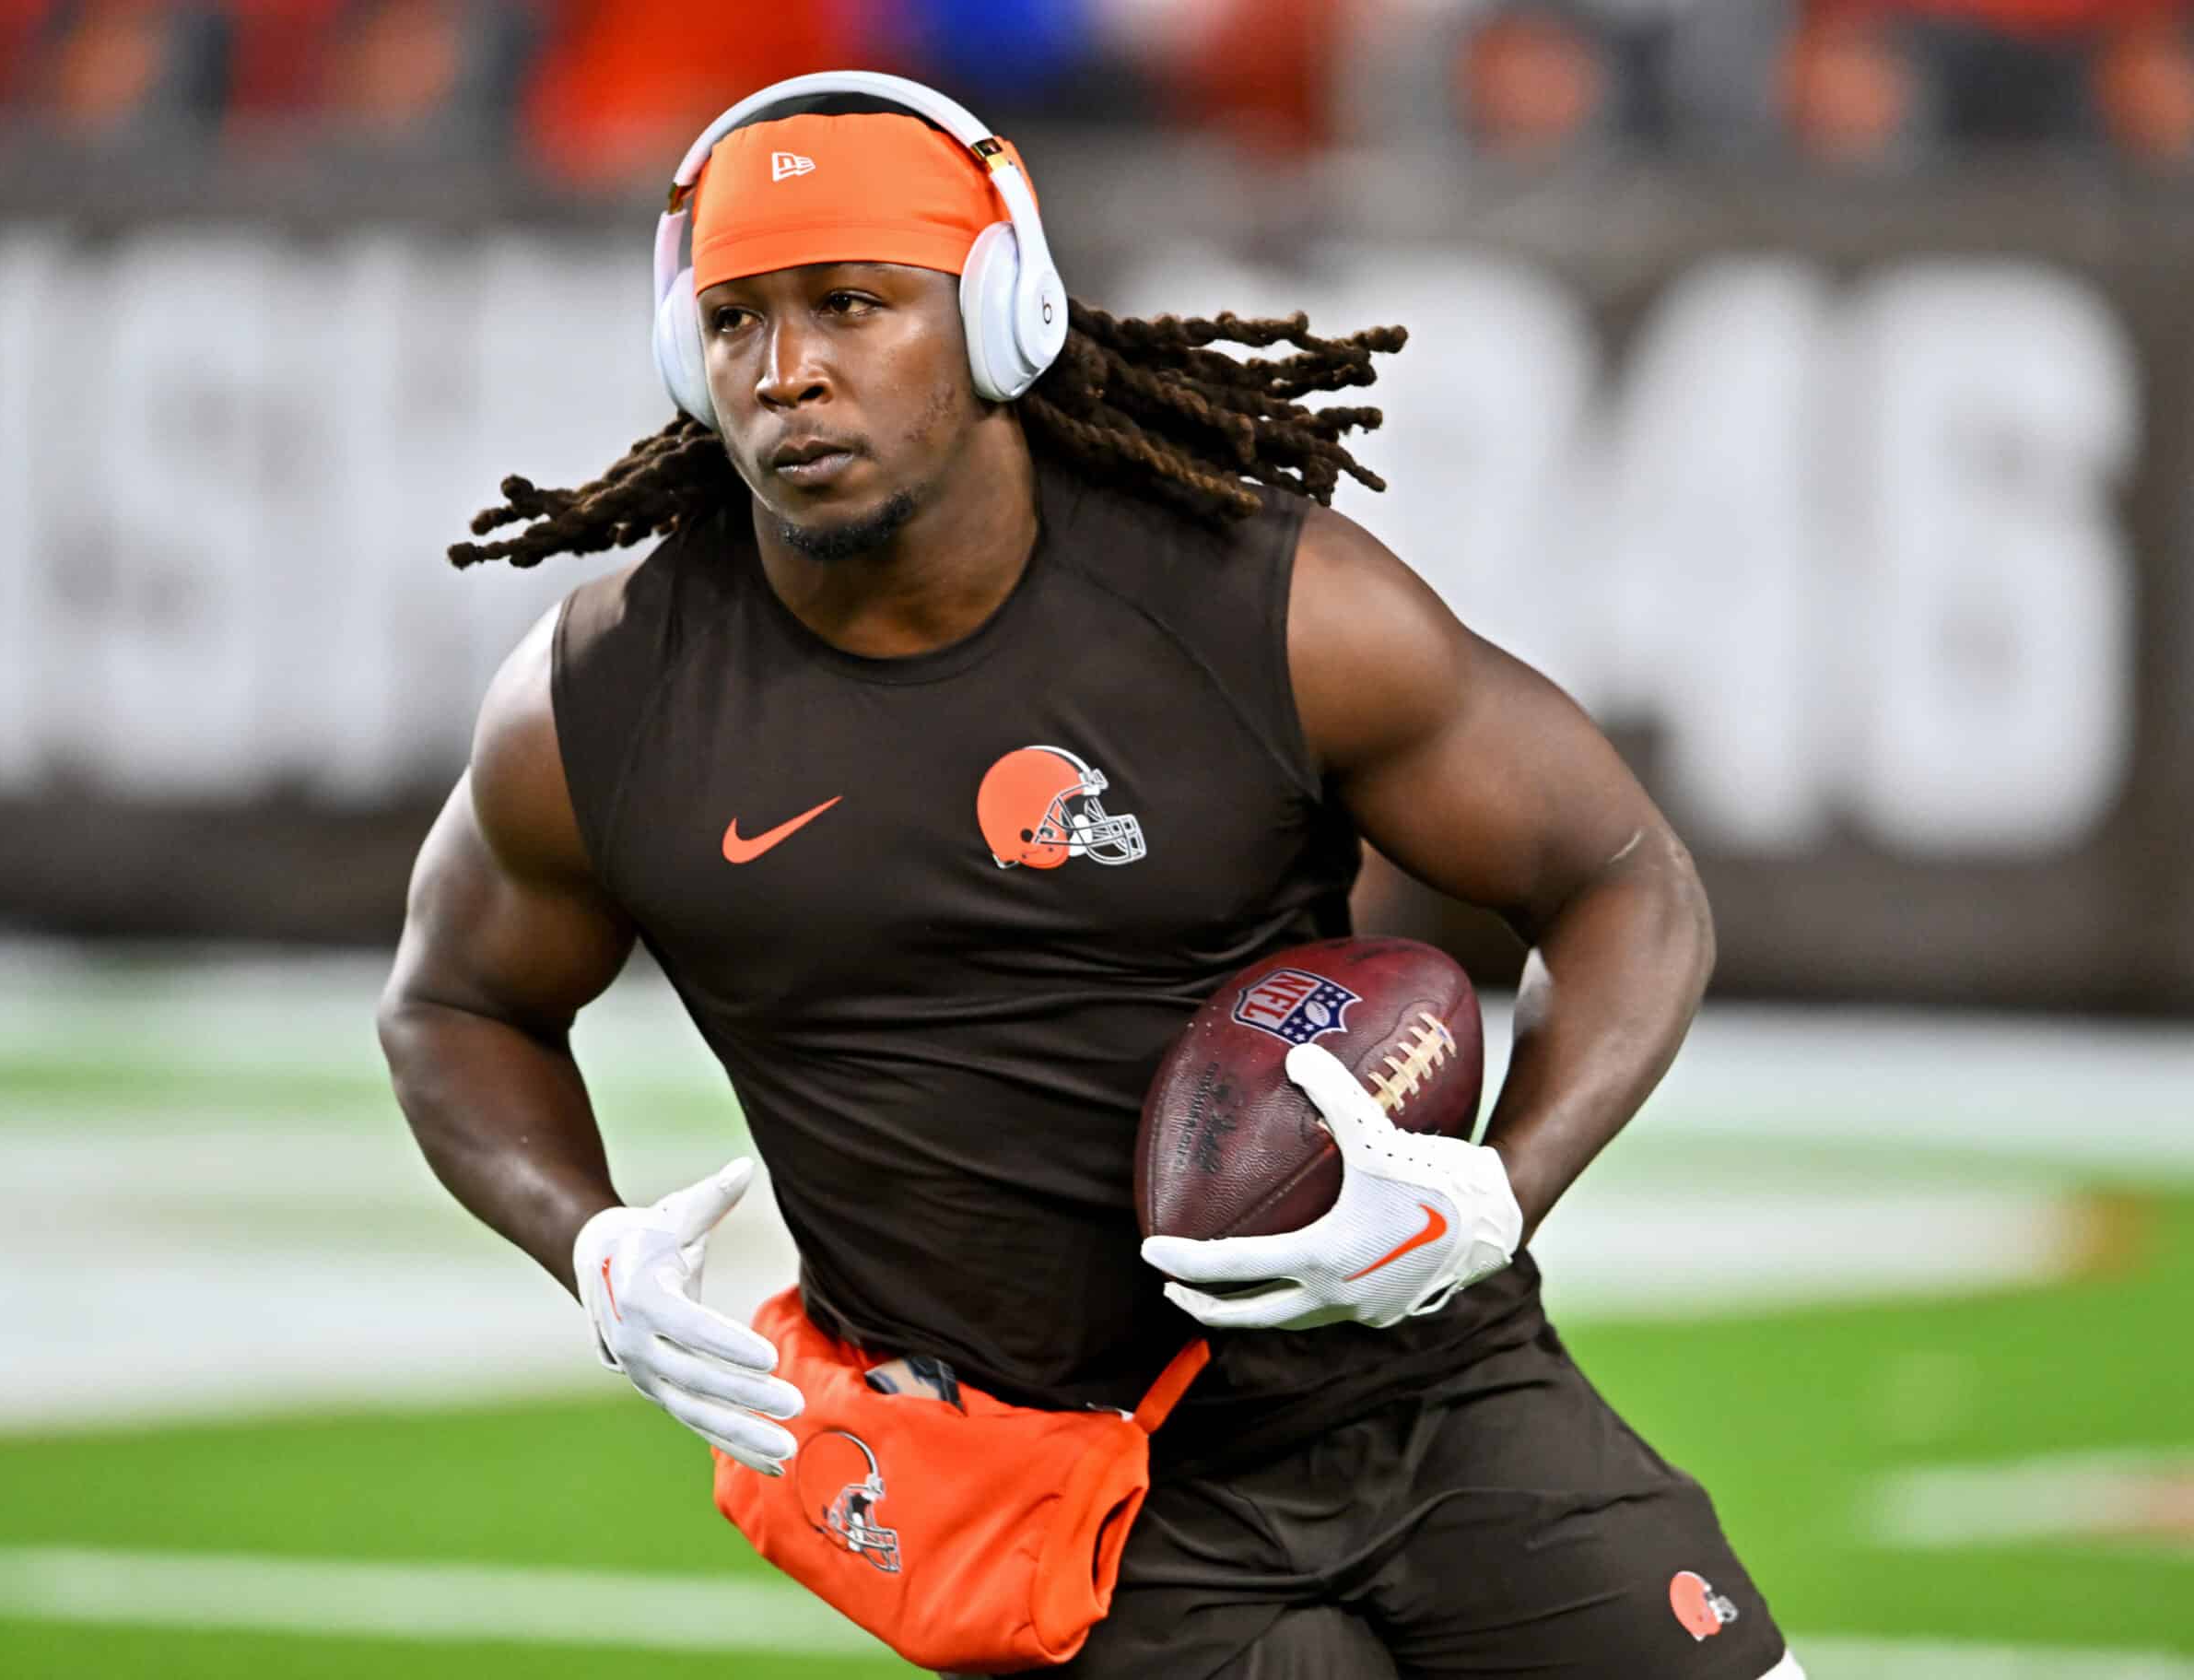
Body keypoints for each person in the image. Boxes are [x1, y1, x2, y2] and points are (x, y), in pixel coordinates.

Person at [378, 69, 1802, 1680]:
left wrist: (1497, 1191)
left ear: (1003, 316)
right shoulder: (605, 701)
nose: (787, 372)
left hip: (1423, 1388)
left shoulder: (1261, 605)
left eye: (852, 304)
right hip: (1052, 1489)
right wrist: (589, 1241)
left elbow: (1623, 880)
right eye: (734, 323)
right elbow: (453, 1005)